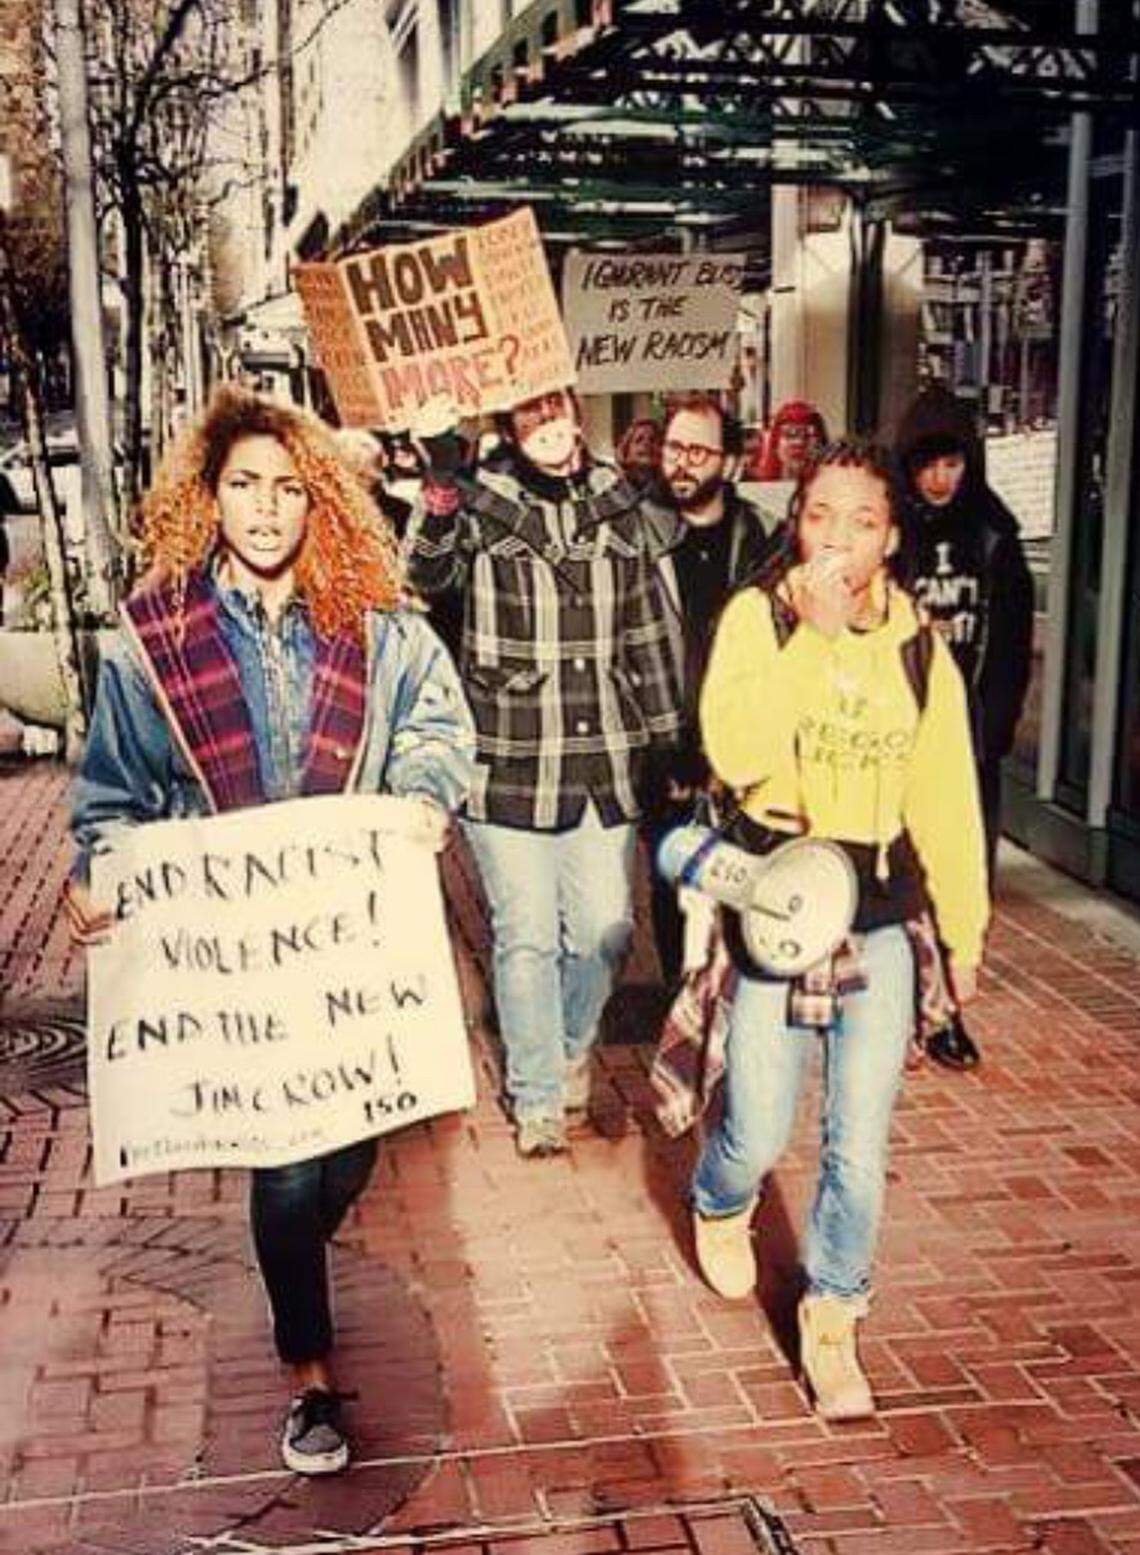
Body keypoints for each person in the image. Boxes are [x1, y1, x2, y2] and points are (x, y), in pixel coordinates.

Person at [66, 387, 475, 1476]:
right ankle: (309, 1375)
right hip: (235, 962)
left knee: (349, 1153)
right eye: (243, 483)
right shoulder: (151, 641)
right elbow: (110, 793)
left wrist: (426, 792)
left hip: (347, 949)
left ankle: (290, 1254)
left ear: (319, 500)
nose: (264, 507)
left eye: (288, 487)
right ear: (208, 497)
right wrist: (100, 872)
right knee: (289, 1170)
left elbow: (436, 724)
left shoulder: (376, 625)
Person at [690, 439, 988, 1421]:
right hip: (779, 903)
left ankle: (834, 1315)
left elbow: (946, 791)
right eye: (823, 515)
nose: (841, 539)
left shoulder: (918, 645)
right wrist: (813, 638)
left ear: (892, 538)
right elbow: (735, 752)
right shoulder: (757, 622)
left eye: (865, 520)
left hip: (881, 916)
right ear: (798, 522)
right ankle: (719, 1195)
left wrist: (965, 931)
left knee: (857, 1141)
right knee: (760, 1126)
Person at [405, 386, 681, 1157]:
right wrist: (439, 478)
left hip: (601, 755)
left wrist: (671, 739)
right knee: (524, 934)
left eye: (558, 412)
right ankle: (536, 1095)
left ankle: (566, 1047)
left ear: (577, 413)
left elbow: (648, 628)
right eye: (531, 416)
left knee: (606, 929)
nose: (550, 429)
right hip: (508, 753)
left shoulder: (617, 501)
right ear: (508, 424)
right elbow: (425, 578)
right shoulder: (476, 498)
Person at [895, 385, 1034, 1071]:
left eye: (951, 463)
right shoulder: (894, 535)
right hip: (901, 735)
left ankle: (949, 1008)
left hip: (970, 738)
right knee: (904, 874)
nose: (939, 478)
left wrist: (998, 726)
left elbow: (1011, 644)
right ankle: (903, 1004)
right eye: (927, 465)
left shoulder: (995, 533)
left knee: (961, 875)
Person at [640, 393, 776, 983]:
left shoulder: (764, 539)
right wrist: (663, 744)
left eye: (698, 450)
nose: (682, 463)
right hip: (665, 745)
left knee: (743, 884)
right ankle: (683, 1004)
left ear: (728, 460)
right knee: (673, 882)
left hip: (743, 747)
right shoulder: (635, 537)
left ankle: (734, 1004)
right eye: (674, 447)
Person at [756, 399, 828, 481]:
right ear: (775, 444)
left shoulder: (837, 486)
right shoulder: (760, 487)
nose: (799, 442)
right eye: (789, 435)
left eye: (808, 435)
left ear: (821, 443)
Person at [616, 416, 663, 491]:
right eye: (639, 440)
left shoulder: (672, 493)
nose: (646, 443)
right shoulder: (611, 495)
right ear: (626, 451)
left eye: (652, 439)